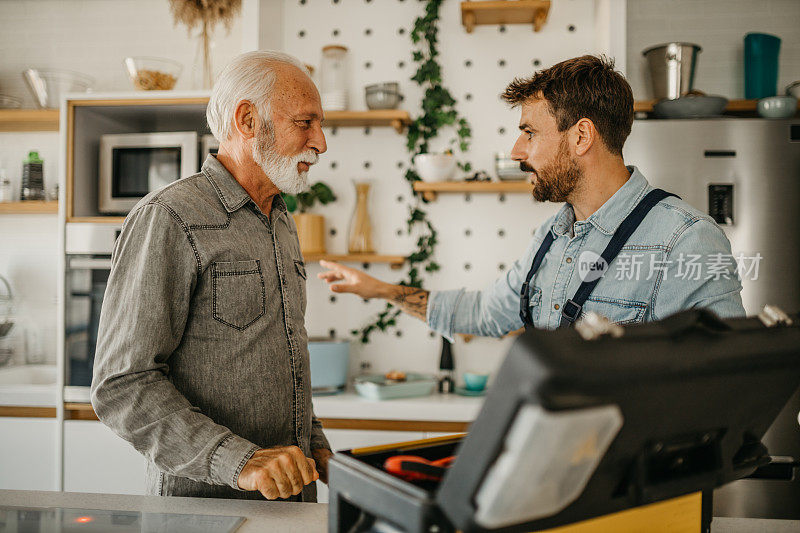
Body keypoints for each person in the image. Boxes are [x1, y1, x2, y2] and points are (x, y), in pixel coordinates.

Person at [318, 55, 745, 337]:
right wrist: (380, 290)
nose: (516, 152)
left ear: (581, 135)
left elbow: (724, 385)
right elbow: (485, 313)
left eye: (529, 133)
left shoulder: (686, 240)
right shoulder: (550, 237)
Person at [92, 51, 331, 501]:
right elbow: (121, 385)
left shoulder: (280, 219)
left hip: (291, 505)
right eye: (305, 122)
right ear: (247, 119)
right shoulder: (168, 216)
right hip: (204, 513)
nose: (321, 142)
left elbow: (280, 356)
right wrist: (239, 461)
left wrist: (314, 443)